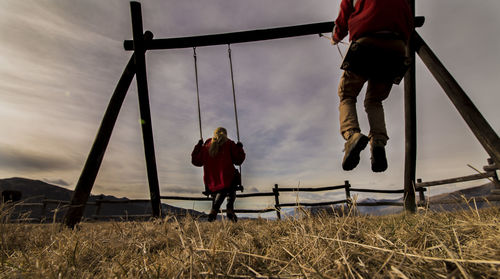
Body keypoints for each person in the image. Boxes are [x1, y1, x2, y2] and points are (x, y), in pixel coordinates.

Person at [331, 0, 413, 172]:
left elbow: (344, 14)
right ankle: (378, 143)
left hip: (366, 42)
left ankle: (351, 135)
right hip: (397, 47)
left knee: (347, 95)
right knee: (374, 100)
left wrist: (336, 37)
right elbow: (408, 20)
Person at [191, 127, 245, 222]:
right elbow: (238, 160)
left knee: (224, 187)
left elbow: (195, 161)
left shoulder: (206, 146)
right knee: (230, 183)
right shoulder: (229, 143)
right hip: (227, 179)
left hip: (211, 181)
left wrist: (198, 146)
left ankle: (216, 210)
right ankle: (227, 208)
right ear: (225, 134)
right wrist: (239, 147)